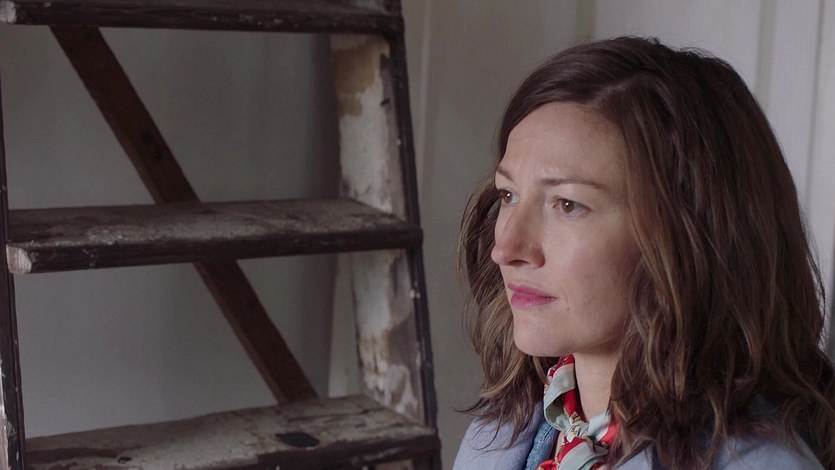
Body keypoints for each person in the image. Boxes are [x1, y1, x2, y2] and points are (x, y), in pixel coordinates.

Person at [453, 36, 835, 469]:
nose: (505, 249)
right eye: (508, 195)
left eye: (568, 204)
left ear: (689, 236)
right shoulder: (502, 431)